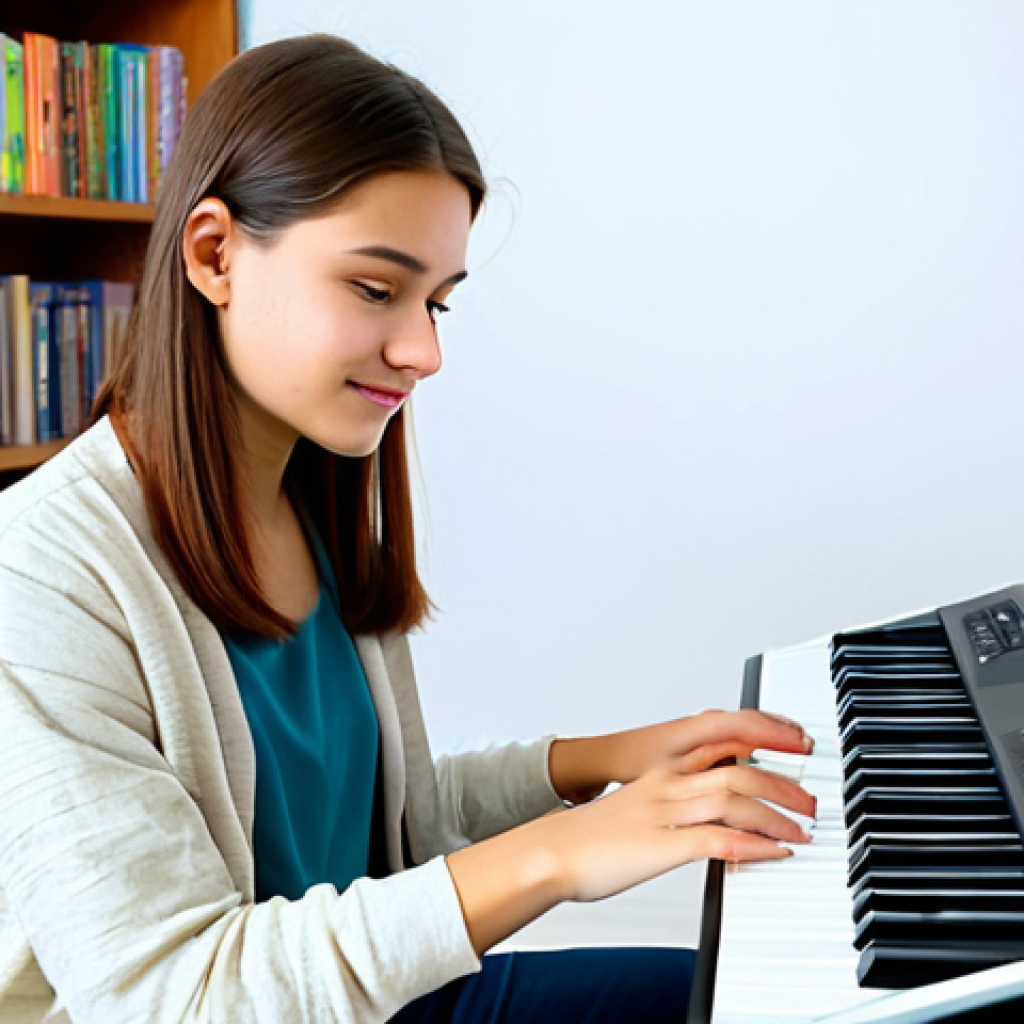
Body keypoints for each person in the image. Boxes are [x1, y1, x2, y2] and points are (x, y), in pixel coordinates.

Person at [0, 33, 816, 1024]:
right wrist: (560, 855)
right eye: (375, 289)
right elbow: (174, 993)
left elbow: (386, 826)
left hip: (376, 1004)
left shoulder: (314, 495)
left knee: (758, 998)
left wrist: (596, 761)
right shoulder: (40, 571)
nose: (422, 349)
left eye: (435, 301)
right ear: (215, 254)